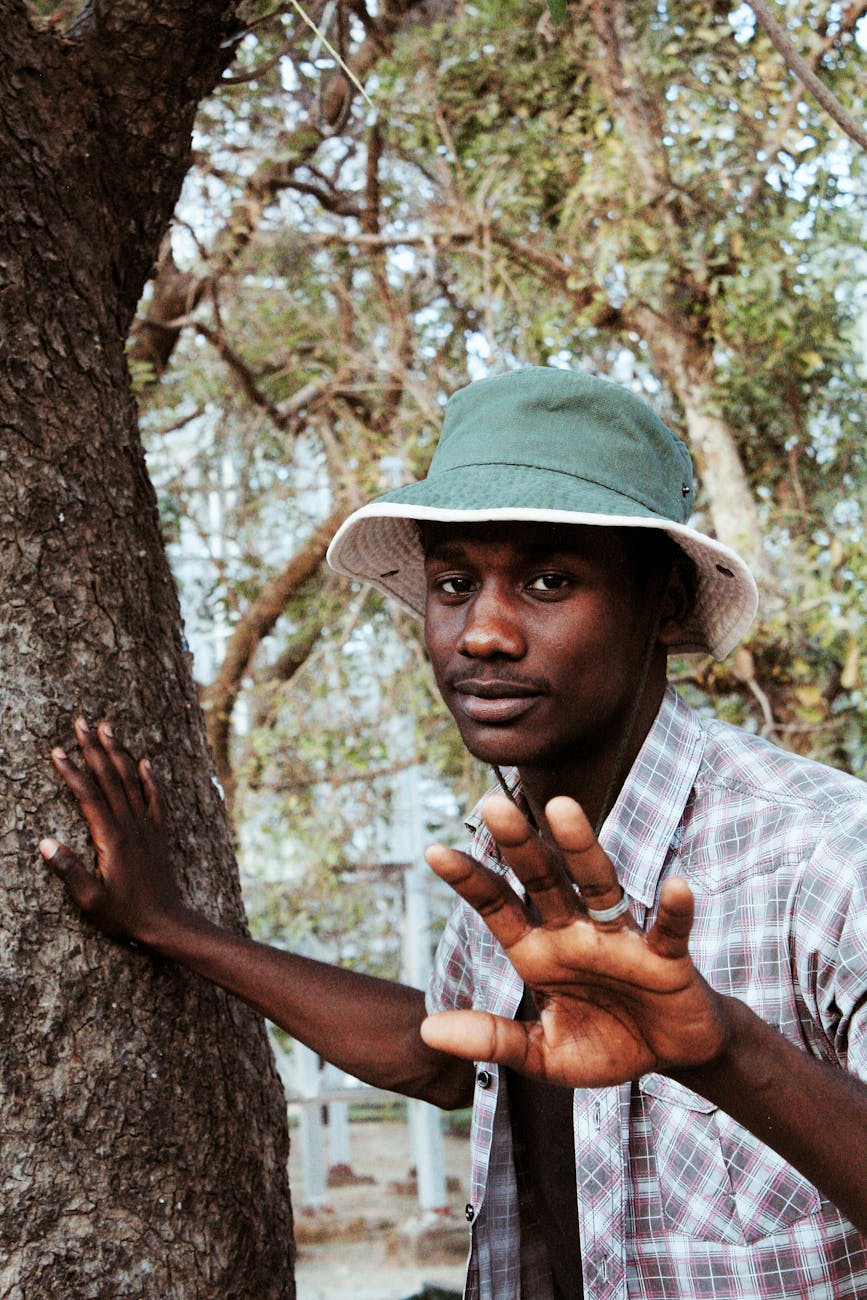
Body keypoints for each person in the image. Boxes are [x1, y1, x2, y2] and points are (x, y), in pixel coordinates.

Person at [39, 368, 867, 1299]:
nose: (483, 633)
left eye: (549, 580)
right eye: (453, 583)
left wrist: (723, 1049)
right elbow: (448, 1057)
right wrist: (168, 925)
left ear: (666, 603)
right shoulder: (495, 850)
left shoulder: (822, 856)